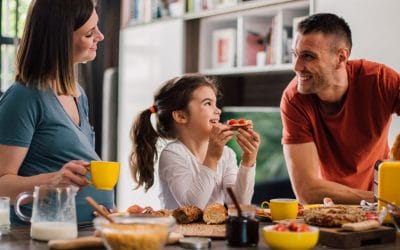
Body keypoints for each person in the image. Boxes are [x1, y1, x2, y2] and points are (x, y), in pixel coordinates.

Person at [0, 0, 114, 225]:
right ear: (61, 39)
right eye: (89, 33)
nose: (100, 36)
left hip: (85, 231)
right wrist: (51, 181)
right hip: (40, 237)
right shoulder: (24, 96)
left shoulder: (77, 94)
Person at [280, 13, 400, 205]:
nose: (296, 66)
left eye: (308, 56)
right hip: (330, 209)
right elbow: (307, 191)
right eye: (295, 54)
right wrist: (384, 198)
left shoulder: (380, 80)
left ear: (341, 57)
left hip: (382, 212)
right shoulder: (294, 99)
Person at [130, 74, 261, 209]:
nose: (218, 111)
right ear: (181, 116)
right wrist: (212, 158)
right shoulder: (173, 154)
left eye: (216, 104)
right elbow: (192, 207)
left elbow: (238, 204)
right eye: (208, 103)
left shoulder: (227, 154)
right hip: (179, 230)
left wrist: (248, 162)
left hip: (214, 231)